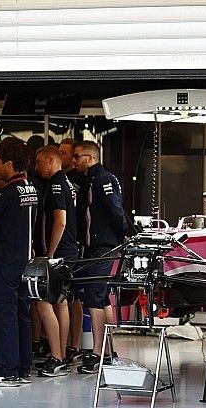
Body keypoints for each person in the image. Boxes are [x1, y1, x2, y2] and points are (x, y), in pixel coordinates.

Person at [0, 137, 37, 387]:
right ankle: (24, 365)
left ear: (8, 163)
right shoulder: (31, 189)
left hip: (6, 260)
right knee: (22, 313)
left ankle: (8, 369)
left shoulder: (5, 194)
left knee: (5, 315)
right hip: (26, 259)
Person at [73, 141, 127, 374]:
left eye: (77, 156)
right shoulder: (92, 179)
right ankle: (107, 350)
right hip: (99, 245)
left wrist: (123, 236)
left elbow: (116, 210)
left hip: (103, 246)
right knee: (103, 297)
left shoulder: (103, 179)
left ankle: (97, 354)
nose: (74, 161)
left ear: (90, 157)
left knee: (95, 297)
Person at [33, 145, 78, 377]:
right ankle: (60, 353)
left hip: (59, 252)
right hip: (68, 250)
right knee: (61, 302)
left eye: (39, 162)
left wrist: (49, 253)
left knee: (44, 301)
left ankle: (57, 356)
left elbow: (60, 221)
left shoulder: (57, 185)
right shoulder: (66, 183)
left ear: (51, 160)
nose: (36, 167)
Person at [59, 139, 85, 360]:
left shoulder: (79, 180)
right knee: (64, 297)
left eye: (65, 152)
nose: (65, 156)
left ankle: (74, 344)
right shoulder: (60, 179)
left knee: (73, 297)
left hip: (73, 242)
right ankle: (64, 343)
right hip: (69, 243)